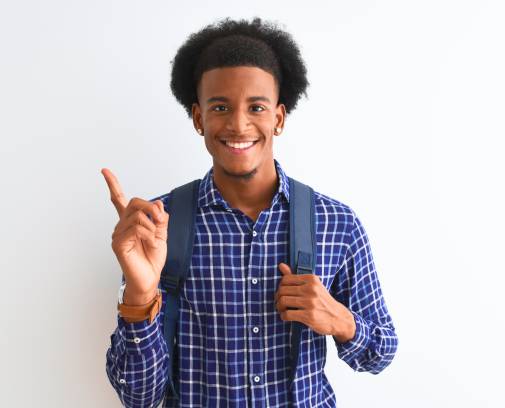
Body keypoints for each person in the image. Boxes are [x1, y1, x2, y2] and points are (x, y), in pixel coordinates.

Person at [102, 16, 398, 408]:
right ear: (198, 118)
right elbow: (138, 397)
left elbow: (380, 353)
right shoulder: (158, 227)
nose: (239, 124)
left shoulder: (336, 223)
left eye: (256, 107)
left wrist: (339, 320)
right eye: (220, 106)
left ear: (278, 118)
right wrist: (140, 295)